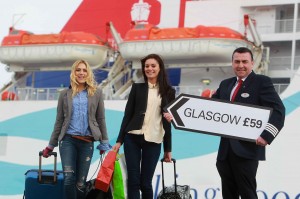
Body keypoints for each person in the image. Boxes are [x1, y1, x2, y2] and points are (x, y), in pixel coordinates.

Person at [211, 47, 285, 199]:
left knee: (247, 194)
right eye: (237, 61)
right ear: (232, 63)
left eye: (245, 61)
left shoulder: (261, 82)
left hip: (247, 150)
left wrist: (266, 135)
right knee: (228, 194)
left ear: (252, 63)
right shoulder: (225, 84)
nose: (240, 65)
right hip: (225, 151)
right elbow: (211, 109)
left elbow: (279, 110)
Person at [42, 59, 111, 199]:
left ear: (88, 73)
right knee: (68, 179)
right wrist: (51, 145)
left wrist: (104, 142)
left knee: (81, 183)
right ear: (73, 72)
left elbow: (101, 119)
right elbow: (59, 121)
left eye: (84, 70)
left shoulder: (97, 93)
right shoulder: (64, 94)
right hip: (68, 141)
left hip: (87, 143)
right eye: (78, 70)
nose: (81, 73)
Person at [112, 54, 175, 199]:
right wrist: (119, 141)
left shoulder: (169, 92)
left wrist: (168, 149)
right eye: (147, 66)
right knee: (133, 181)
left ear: (160, 68)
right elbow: (127, 115)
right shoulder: (137, 88)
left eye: (153, 66)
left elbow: (167, 123)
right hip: (132, 138)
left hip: (154, 140)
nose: (149, 69)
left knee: (145, 183)